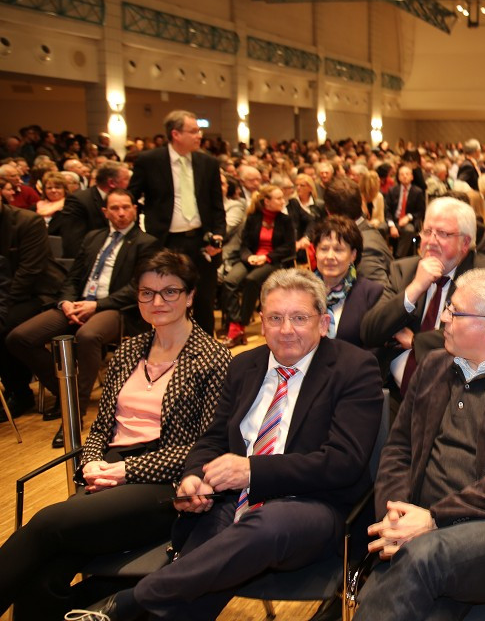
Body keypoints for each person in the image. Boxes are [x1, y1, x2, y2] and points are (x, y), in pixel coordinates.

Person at [77, 268, 383, 621]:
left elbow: (343, 462)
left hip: (312, 507)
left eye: (299, 318)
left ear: (323, 322)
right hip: (229, 501)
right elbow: (212, 439)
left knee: (264, 526)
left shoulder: (355, 368)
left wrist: (252, 471)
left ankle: (129, 601)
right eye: (275, 318)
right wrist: (194, 477)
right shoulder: (244, 366)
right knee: (195, 586)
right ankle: (136, 605)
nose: (286, 329)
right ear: (262, 323)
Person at [2, 250, 228, 618]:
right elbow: (101, 427)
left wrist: (125, 471)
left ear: (190, 297)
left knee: (47, 524)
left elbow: (204, 447)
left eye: (170, 291)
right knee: (43, 576)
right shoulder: (127, 351)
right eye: (146, 293)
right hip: (107, 476)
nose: (157, 302)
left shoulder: (214, 358)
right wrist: (91, 463)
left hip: (163, 483)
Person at [356, 268, 485, 619]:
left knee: (425, 557)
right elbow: (398, 448)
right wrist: (395, 513)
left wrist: (434, 519)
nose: (443, 317)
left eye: (454, 311)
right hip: (419, 528)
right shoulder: (433, 367)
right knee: (419, 582)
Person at [6, 189, 159, 444]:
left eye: (125, 208)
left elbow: (137, 287)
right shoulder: (92, 238)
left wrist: (96, 305)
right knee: (19, 338)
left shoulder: (146, 242)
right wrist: (66, 302)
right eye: (114, 208)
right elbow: (73, 277)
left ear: (134, 209)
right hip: (75, 305)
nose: (121, 213)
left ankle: (73, 413)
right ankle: (68, 395)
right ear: (105, 212)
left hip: (115, 308)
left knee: (87, 336)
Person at [362, 196, 485, 414]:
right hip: (394, 394)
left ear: (465, 243)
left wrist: (415, 341)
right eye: (427, 232)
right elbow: (370, 332)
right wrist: (415, 288)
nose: (431, 240)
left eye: (443, 234)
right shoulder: (403, 270)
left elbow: (477, 335)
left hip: (454, 395)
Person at [128, 110, 225, 334]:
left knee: (203, 301)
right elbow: (132, 198)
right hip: (165, 241)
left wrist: (218, 235)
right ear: (176, 134)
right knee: (166, 299)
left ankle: (207, 356)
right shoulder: (149, 161)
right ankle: (167, 350)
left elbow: (216, 205)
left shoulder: (207, 162)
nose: (199, 135)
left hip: (201, 241)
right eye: (193, 131)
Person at [0, 188, 67, 418]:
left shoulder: (28, 221)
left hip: (40, 293)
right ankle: (16, 391)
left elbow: (29, 272)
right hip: (6, 293)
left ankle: (25, 393)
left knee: (4, 323)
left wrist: (2, 305)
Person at [220, 183, 295, 348]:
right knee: (230, 281)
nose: (282, 201)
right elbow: (244, 244)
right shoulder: (253, 218)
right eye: (278, 198)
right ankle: (236, 324)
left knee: (252, 280)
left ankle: (240, 324)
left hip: (273, 261)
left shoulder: (285, 220)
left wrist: (266, 257)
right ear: (267, 202)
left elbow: (289, 247)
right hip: (251, 258)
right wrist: (249, 258)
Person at [310, 215, 383, 345]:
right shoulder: (302, 290)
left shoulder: (371, 293)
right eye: (324, 249)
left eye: (338, 250)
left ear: (353, 255)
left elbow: (375, 348)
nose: (330, 256)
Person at [52, 160, 131, 258]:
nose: (130, 183)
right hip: (90, 260)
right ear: (111, 182)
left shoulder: (127, 199)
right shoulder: (79, 201)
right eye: (126, 179)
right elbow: (73, 244)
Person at [386, 164, 425, 258]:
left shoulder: (417, 192)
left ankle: (398, 257)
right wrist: (391, 226)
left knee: (409, 230)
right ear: (398, 177)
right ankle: (384, 256)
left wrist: (408, 217)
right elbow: (387, 210)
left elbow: (421, 211)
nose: (404, 176)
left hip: (408, 221)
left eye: (407, 174)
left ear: (412, 177)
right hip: (393, 221)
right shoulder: (392, 190)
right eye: (402, 174)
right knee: (380, 228)